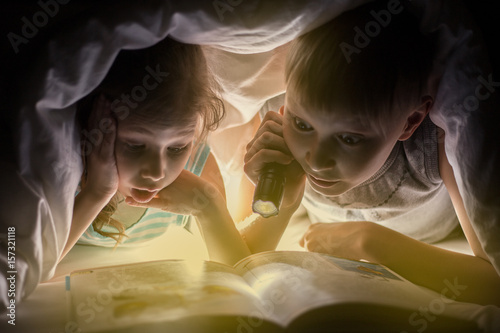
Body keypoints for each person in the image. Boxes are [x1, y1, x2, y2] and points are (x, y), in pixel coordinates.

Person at [240, 0, 500, 305]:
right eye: (302, 124)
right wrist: (283, 204)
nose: (316, 160)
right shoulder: (275, 124)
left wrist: (374, 244)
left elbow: (492, 280)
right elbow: (240, 259)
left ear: (410, 121)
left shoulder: (435, 141)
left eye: (350, 139)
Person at [63, 37, 250, 265]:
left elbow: (237, 271)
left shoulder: (197, 167)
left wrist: (210, 208)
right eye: (135, 146)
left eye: (177, 147)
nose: (156, 171)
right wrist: (96, 192)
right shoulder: (66, 167)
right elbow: (16, 272)